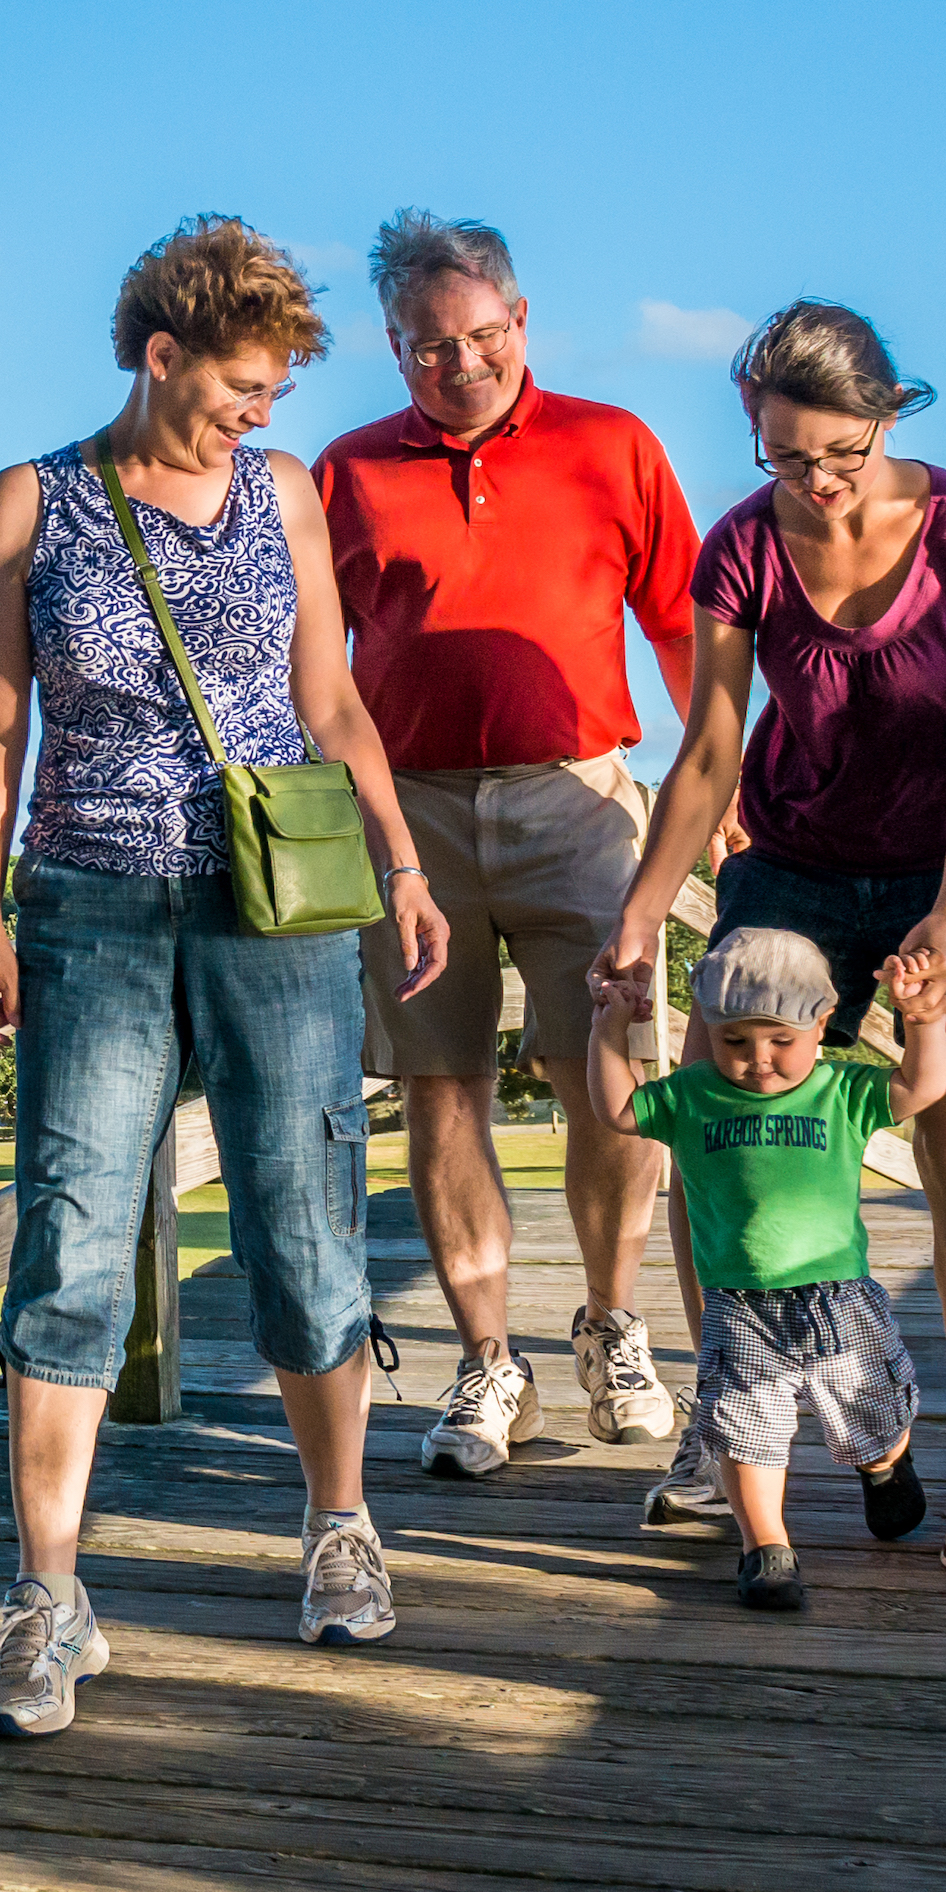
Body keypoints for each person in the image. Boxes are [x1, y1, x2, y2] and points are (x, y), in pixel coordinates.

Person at [0, 218, 456, 1740]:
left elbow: (330, 698)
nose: (264, 411)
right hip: (91, 903)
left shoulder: (286, 495)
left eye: (278, 385)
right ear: (161, 354)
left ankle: (339, 1526)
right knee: (75, 1237)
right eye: (243, 382)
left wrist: (405, 867)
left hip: (276, 908)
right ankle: (48, 1599)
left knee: (304, 1221)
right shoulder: (34, 500)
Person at [593, 301, 946, 1572]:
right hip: (795, 865)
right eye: (787, 457)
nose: (817, 481)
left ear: (888, 415)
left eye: (840, 452)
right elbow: (711, 750)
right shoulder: (742, 548)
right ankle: (724, 1422)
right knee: (713, 1133)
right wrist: (640, 914)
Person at [309, 215, 703, 1482]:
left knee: (617, 1074)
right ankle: (489, 1366)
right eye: (433, 347)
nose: (463, 365)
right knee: (442, 1086)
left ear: (521, 323)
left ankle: (613, 1329)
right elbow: (307, 663)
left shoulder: (614, 443)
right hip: (408, 813)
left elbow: (688, 627)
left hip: (578, 795)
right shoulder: (346, 471)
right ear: (394, 345)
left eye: (484, 337)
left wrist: (725, 770)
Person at [634, 922, 946, 1609]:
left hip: (838, 1296)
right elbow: (613, 1109)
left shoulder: (839, 1091)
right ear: (708, 1031)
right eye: (735, 1042)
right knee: (745, 1426)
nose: (759, 1060)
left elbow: (922, 1087)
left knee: (870, 1410)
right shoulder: (692, 1096)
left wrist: (920, 1020)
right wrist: (608, 1027)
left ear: (823, 1024)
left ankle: (885, 1465)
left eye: (781, 1041)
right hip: (740, 1304)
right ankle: (766, 1548)